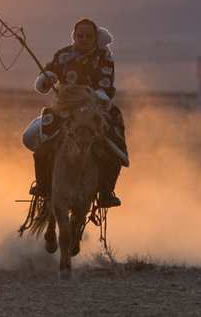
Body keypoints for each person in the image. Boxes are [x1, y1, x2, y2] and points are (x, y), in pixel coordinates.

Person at [22, 18, 128, 208]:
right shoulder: (63, 55)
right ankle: (44, 185)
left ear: (95, 37)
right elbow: (49, 73)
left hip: (94, 108)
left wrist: (91, 100)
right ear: (74, 36)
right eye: (80, 36)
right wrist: (47, 79)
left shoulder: (104, 58)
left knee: (112, 150)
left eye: (88, 36)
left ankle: (106, 192)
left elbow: (104, 85)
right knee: (42, 146)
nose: (84, 39)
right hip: (63, 108)